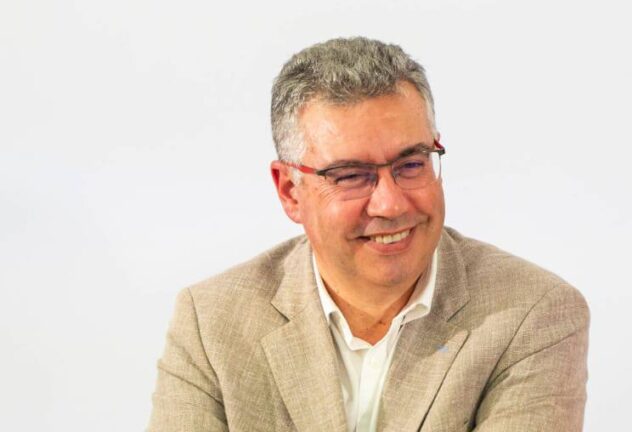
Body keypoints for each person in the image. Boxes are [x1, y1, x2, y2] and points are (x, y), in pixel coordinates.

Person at [148, 37, 589, 432]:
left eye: (411, 164)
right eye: (350, 176)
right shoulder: (212, 322)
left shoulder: (533, 312)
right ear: (290, 191)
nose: (390, 204)